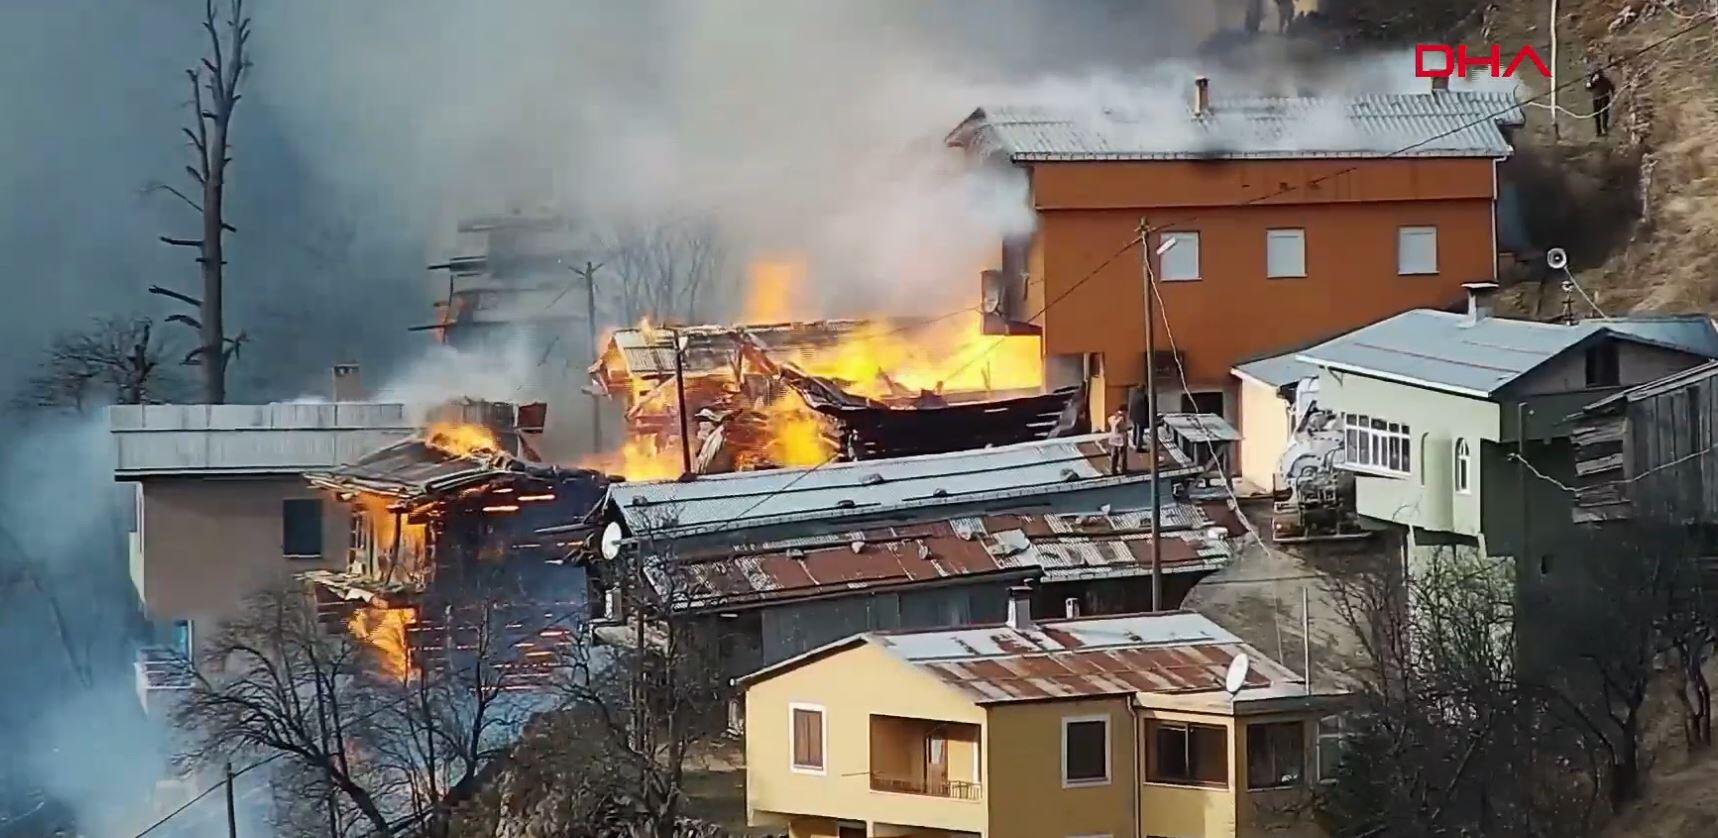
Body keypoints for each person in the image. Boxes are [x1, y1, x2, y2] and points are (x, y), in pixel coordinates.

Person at [1586, 63, 1615, 137]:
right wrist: (1592, 82)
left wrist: (1613, 96)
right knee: (1596, 116)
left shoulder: (1605, 80)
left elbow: (1611, 87)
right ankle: (1598, 132)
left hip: (1604, 98)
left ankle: (1604, 128)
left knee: (1605, 114)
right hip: (1596, 99)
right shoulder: (1592, 81)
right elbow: (1588, 88)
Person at [1106, 408, 1129, 475]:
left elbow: (1109, 421)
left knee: (1114, 455)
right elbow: (1123, 427)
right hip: (1121, 439)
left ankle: (1113, 470)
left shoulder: (1112, 417)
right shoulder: (1121, 418)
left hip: (1113, 438)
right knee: (1123, 455)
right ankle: (1123, 469)